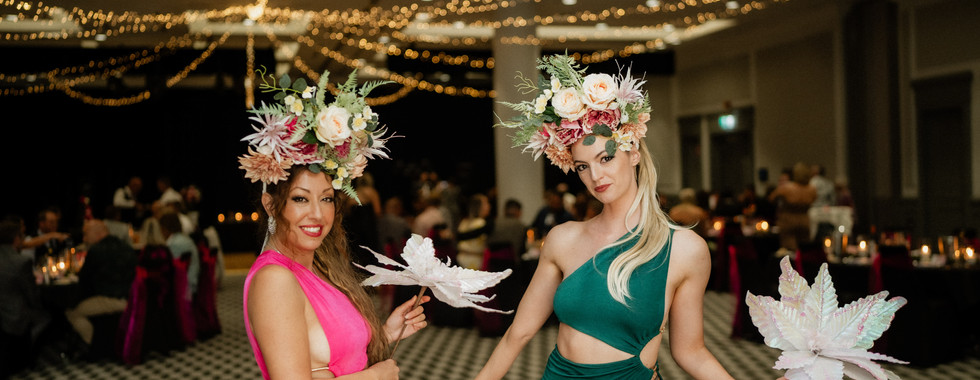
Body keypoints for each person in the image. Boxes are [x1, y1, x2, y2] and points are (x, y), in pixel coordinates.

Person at [477, 54, 734, 379]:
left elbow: (690, 352)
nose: (595, 176)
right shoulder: (563, 238)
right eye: (583, 166)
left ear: (633, 153)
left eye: (606, 158)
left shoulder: (685, 249)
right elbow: (519, 334)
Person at [239, 69, 428, 379]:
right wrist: (376, 376)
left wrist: (385, 333)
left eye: (326, 199)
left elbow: (331, 353)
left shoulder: (317, 267)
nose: (317, 214)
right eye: (300, 199)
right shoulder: (275, 279)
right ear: (271, 205)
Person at [64, 219, 137, 353]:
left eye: (86, 234)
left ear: (98, 233)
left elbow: (85, 282)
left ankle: (94, 345)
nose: (84, 238)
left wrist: (72, 301)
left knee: (71, 312)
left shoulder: (96, 251)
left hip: (114, 299)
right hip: (132, 297)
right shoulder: (125, 246)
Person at [0, 216, 50, 376]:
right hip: (13, 315)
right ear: (16, 239)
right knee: (47, 316)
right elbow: (32, 296)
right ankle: (28, 357)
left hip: (3, 310)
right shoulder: (20, 262)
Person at [768, 162, 818, 252]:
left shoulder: (787, 188)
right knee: (804, 249)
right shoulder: (812, 189)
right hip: (804, 220)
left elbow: (771, 198)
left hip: (788, 220)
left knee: (789, 249)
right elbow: (814, 199)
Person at [344, 173, 383, 264]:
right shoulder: (372, 192)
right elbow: (378, 211)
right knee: (371, 253)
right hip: (369, 227)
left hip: (354, 228)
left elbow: (347, 212)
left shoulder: (351, 194)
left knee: (357, 253)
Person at [160, 212, 200, 301]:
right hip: (192, 284)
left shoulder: (174, 244)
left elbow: (170, 272)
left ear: (165, 229)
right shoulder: (184, 239)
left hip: (185, 289)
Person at [456, 193, 491, 270]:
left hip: (461, 257)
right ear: (479, 207)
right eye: (486, 203)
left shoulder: (464, 221)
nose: (489, 206)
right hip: (474, 260)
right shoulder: (480, 222)